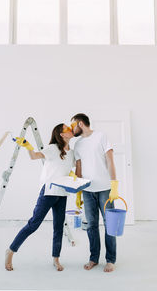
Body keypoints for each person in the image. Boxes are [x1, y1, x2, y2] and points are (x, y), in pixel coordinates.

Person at [5, 123, 75, 272]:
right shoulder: (52, 148)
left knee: (58, 227)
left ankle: (56, 258)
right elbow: (34, 156)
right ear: (62, 134)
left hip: (62, 194)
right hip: (48, 192)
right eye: (67, 129)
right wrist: (28, 146)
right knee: (33, 224)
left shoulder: (72, 152)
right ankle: (10, 251)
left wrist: (74, 177)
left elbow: (67, 169)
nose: (70, 129)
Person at [71, 113, 119, 273]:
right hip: (87, 190)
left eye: (73, 125)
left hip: (105, 188)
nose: (72, 129)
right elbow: (78, 169)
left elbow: (110, 160)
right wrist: (78, 192)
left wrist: (114, 185)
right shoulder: (77, 144)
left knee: (109, 225)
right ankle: (94, 258)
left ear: (80, 123)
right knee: (91, 226)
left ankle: (110, 260)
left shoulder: (101, 136)